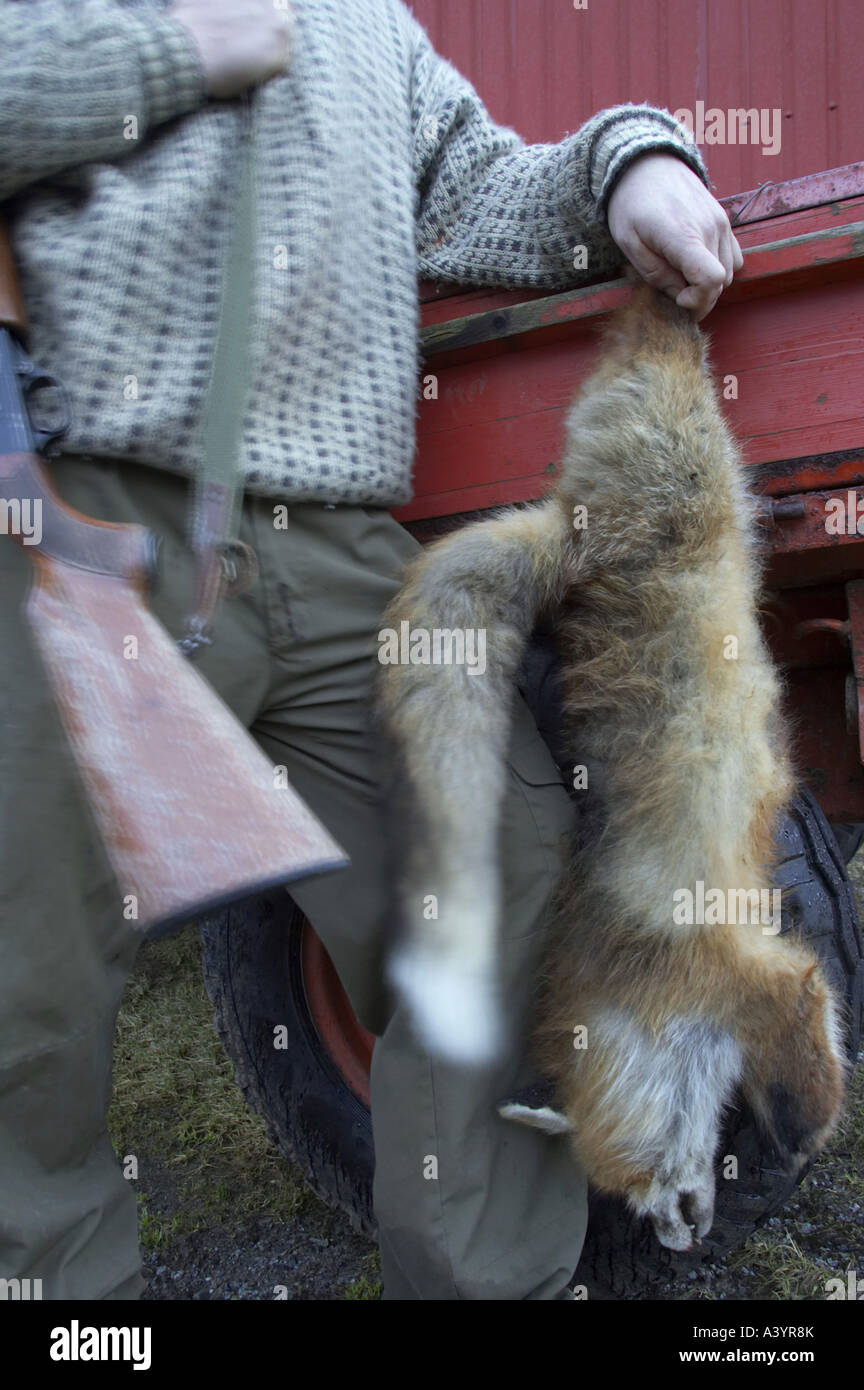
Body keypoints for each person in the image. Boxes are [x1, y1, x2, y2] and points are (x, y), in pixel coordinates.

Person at [0, 0, 742, 1301]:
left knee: (500, 870)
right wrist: (177, 48)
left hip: (334, 539)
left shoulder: (367, 25)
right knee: (30, 966)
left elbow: (484, 190)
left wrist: (634, 163)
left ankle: (486, 1278)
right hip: (88, 510)